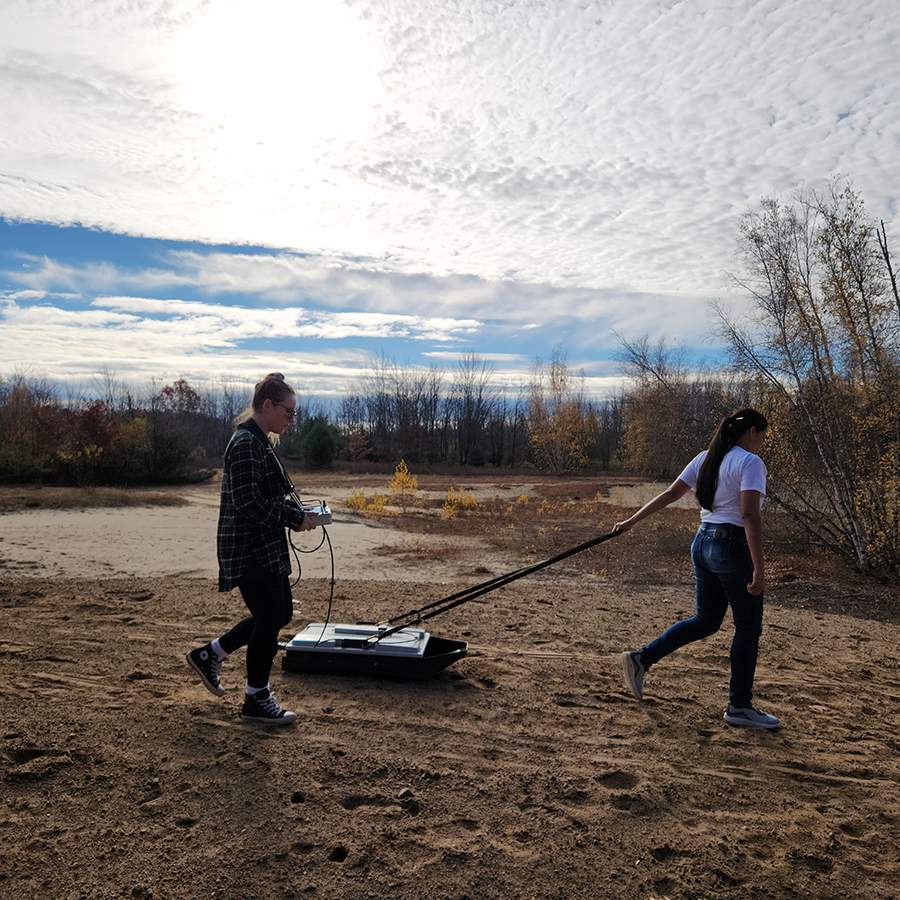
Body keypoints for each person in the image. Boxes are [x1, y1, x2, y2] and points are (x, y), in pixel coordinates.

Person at [616, 408, 780, 729]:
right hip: (731, 546)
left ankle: (641, 659)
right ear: (751, 432)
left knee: (707, 620)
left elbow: (670, 493)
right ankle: (739, 707)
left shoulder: (706, 457)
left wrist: (632, 521)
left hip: (702, 543)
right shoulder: (750, 463)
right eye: (762, 435)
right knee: (747, 629)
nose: (762, 442)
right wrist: (760, 568)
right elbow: (749, 515)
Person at [186, 373, 317, 725]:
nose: (292, 419)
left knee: (278, 614)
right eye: (289, 412)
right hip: (248, 550)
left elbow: (264, 498)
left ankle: (211, 654)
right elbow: (249, 504)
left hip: (265, 547)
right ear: (268, 405)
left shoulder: (260, 442)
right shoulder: (245, 443)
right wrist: (294, 517)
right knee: (271, 617)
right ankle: (256, 699)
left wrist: (301, 514)